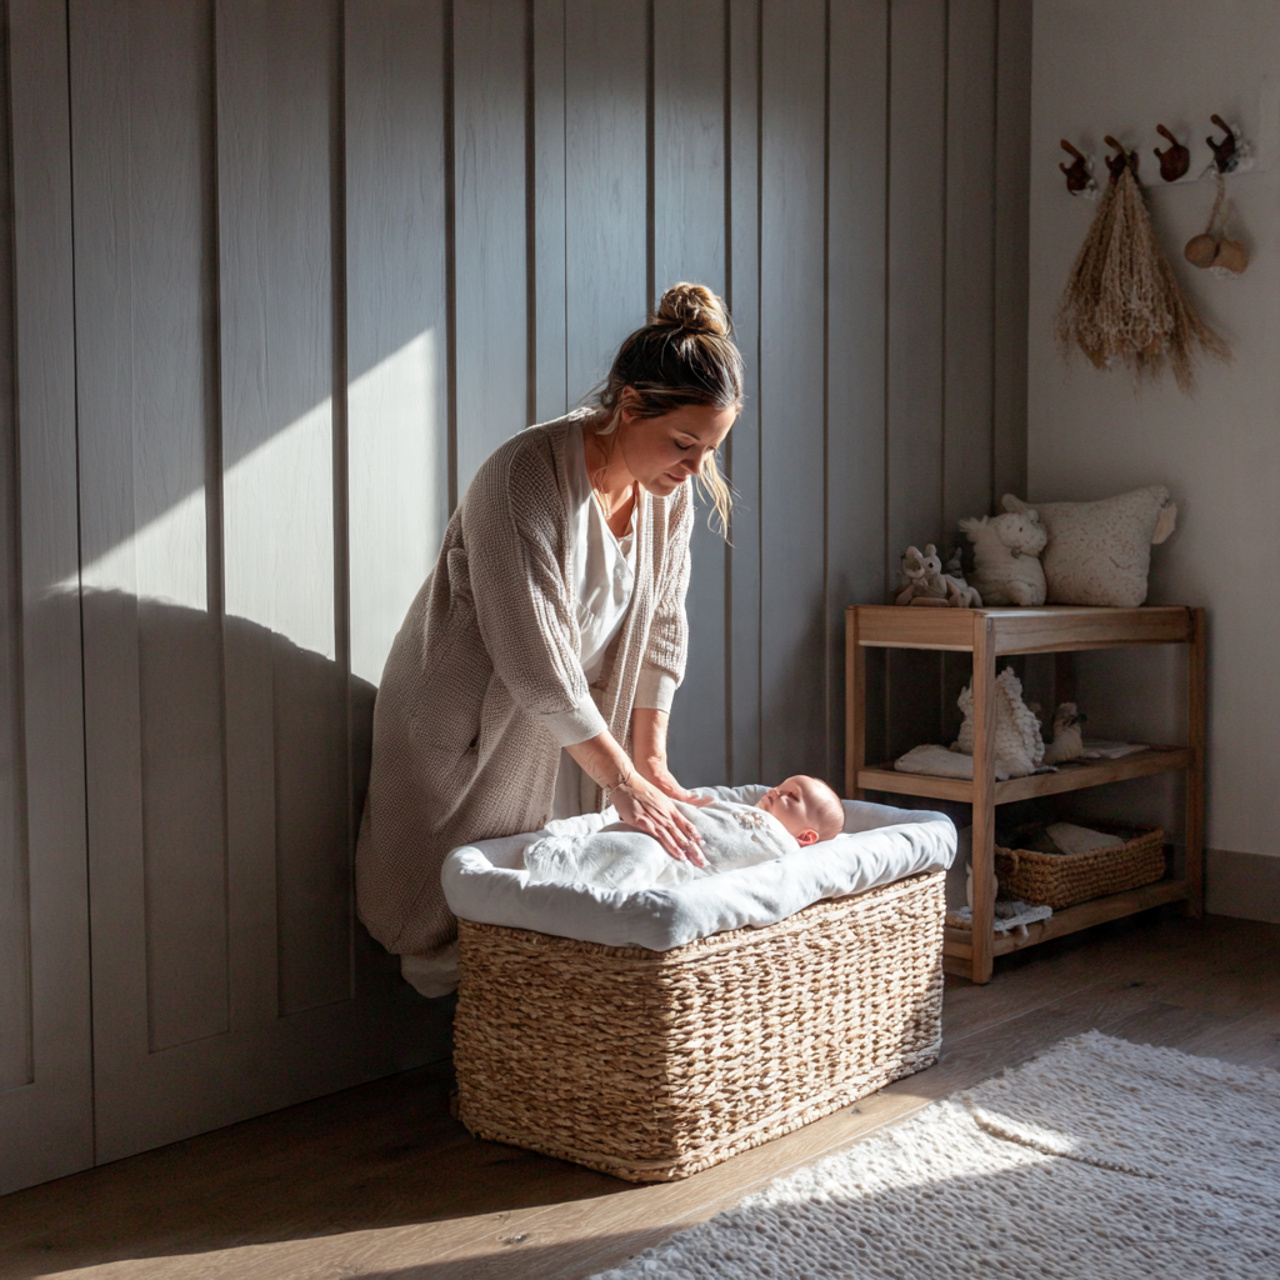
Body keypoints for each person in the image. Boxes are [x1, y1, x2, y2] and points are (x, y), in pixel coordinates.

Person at [356, 283, 744, 980]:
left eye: (709, 452)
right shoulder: (525, 477)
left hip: (567, 726)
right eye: (684, 445)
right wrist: (622, 779)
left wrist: (648, 763)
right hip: (471, 720)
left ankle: (541, 1068)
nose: (693, 469)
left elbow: (661, 628)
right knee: (440, 917)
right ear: (629, 406)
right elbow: (535, 662)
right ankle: (486, 1071)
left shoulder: (667, 494)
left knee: (544, 925)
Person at [524, 775, 847, 893]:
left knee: (646, 860)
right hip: (647, 837)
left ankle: (594, 891)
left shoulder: (782, 848)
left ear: (805, 838)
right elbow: (702, 814)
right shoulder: (739, 809)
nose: (777, 792)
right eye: (780, 786)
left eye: (792, 797)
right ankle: (563, 859)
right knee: (640, 850)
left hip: (674, 862)